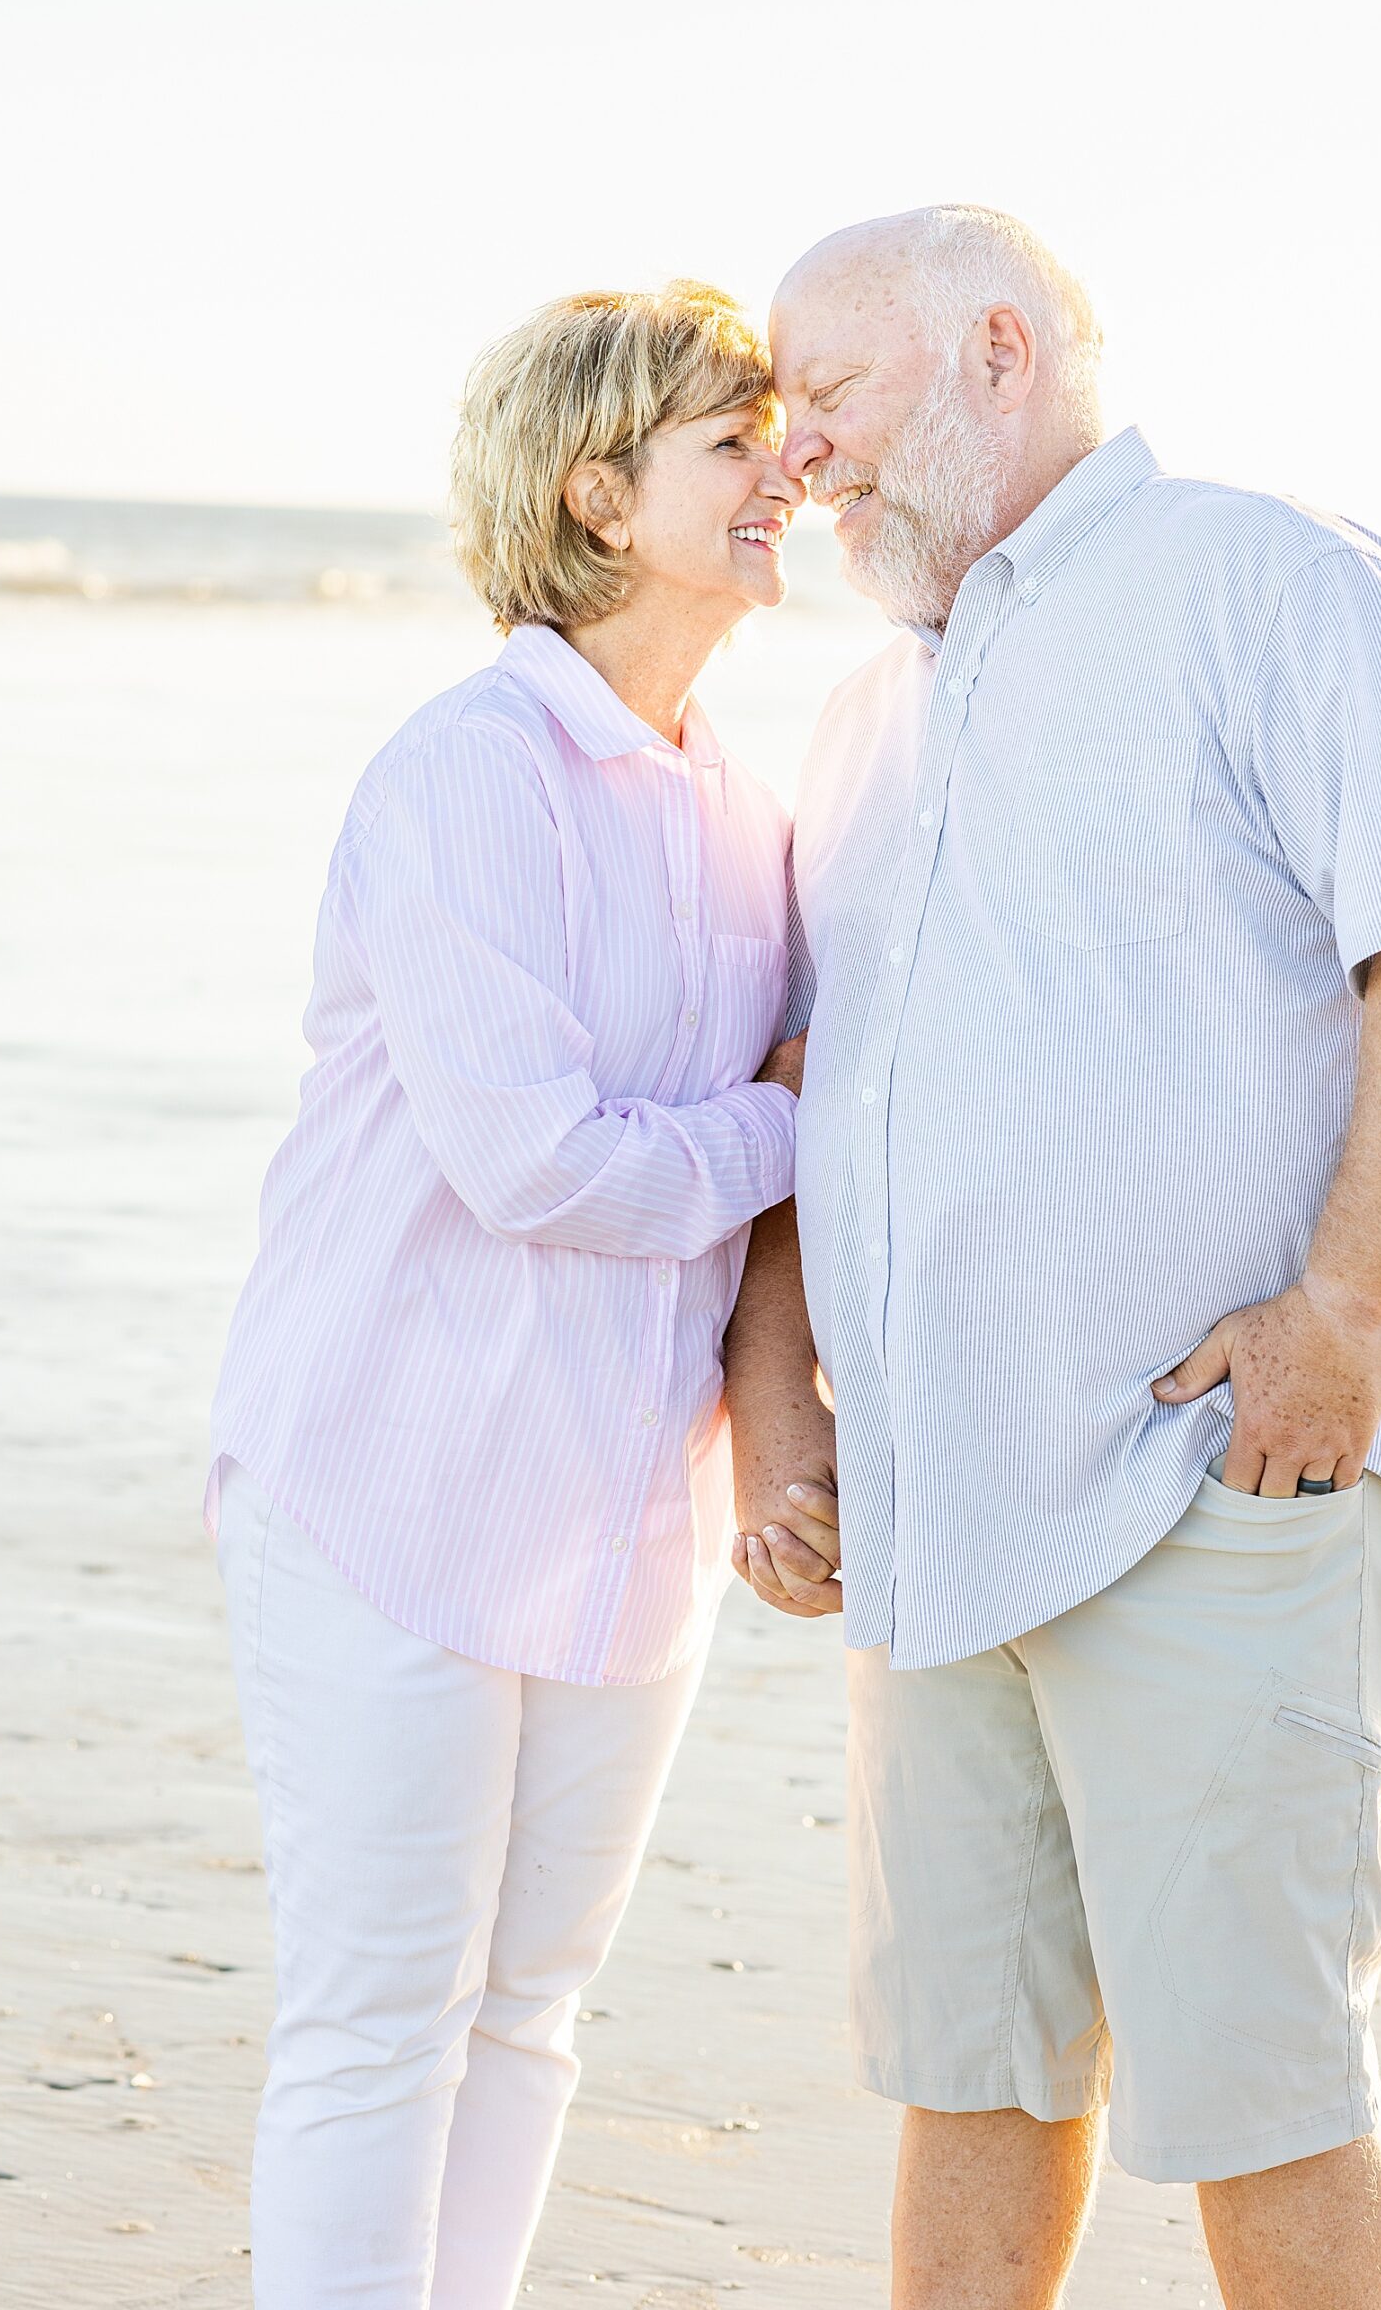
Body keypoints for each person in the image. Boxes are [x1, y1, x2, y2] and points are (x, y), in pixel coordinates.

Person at [724, 206, 1381, 2310]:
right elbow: (808, 1083)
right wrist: (782, 1408)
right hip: (945, 1524)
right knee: (975, 2074)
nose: (793, 450)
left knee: (1251, 2091)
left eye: (827, 391)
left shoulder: (1260, 577)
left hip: (1221, 1488)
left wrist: (1342, 1320)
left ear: (996, 349)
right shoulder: (870, 711)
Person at [207, 281, 806, 2308]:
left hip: (629, 1517)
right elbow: (539, 1158)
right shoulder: (470, 773)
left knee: (531, 2005)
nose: (781, 475)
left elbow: (727, 1168)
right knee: (383, 2012)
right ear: (596, 492)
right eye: (733, 447)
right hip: (388, 1481)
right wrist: (787, 1124)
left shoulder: (743, 794)